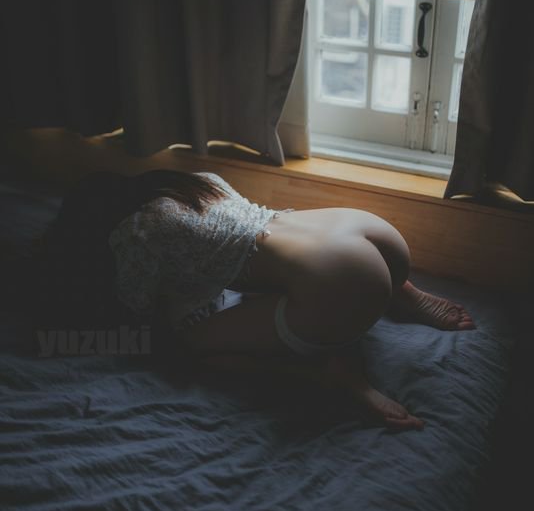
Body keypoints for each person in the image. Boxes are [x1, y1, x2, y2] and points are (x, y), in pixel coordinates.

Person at [33, 169, 475, 432]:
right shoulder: (194, 182)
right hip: (365, 230)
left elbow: (139, 307)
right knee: (268, 262)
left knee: (188, 344)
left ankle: (334, 376)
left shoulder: (132, 233)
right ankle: (401, 291)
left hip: (341, 281)